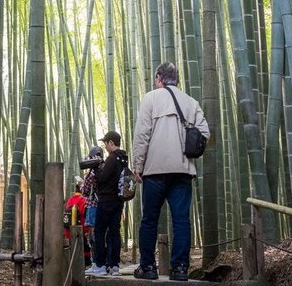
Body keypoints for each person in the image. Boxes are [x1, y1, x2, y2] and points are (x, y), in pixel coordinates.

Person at [132, 62, 210, 281]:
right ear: (177, 79)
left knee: (149, 219)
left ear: (159, 78)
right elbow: (205, 133)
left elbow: (142, 136)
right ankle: (180, 269)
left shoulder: (150, 98)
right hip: (182, 170)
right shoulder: (191, 102)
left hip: (155, 170)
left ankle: (147, 267)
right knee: (181, 220)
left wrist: (138, 166)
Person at [86, 131, 128, 277]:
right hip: (118, 201)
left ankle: (100, 265)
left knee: (99, 232)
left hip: (106, 201)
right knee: (114, 232)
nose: (105, 146)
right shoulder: (124, 158)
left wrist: (96, 168)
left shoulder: (112, 158)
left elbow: (103, 178)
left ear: (111, 143)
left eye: (105, 143)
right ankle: (114, 265)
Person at [81, 144, 103, 267]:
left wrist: (82, 184)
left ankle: (96, 263)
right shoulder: (106, 169)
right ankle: (105, 262)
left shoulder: (91, 175)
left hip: (93, 205)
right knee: (104, 234)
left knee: (93, 236)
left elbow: (85, 191)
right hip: (104, 205)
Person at [63, 183, 92, 266]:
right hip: (81, 228)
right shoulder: (84, 200)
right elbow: (85, 215)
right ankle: (85, 264)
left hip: (69, 228)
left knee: (71, 247)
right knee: (84, 247)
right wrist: (87, 230)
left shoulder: (70, 199)